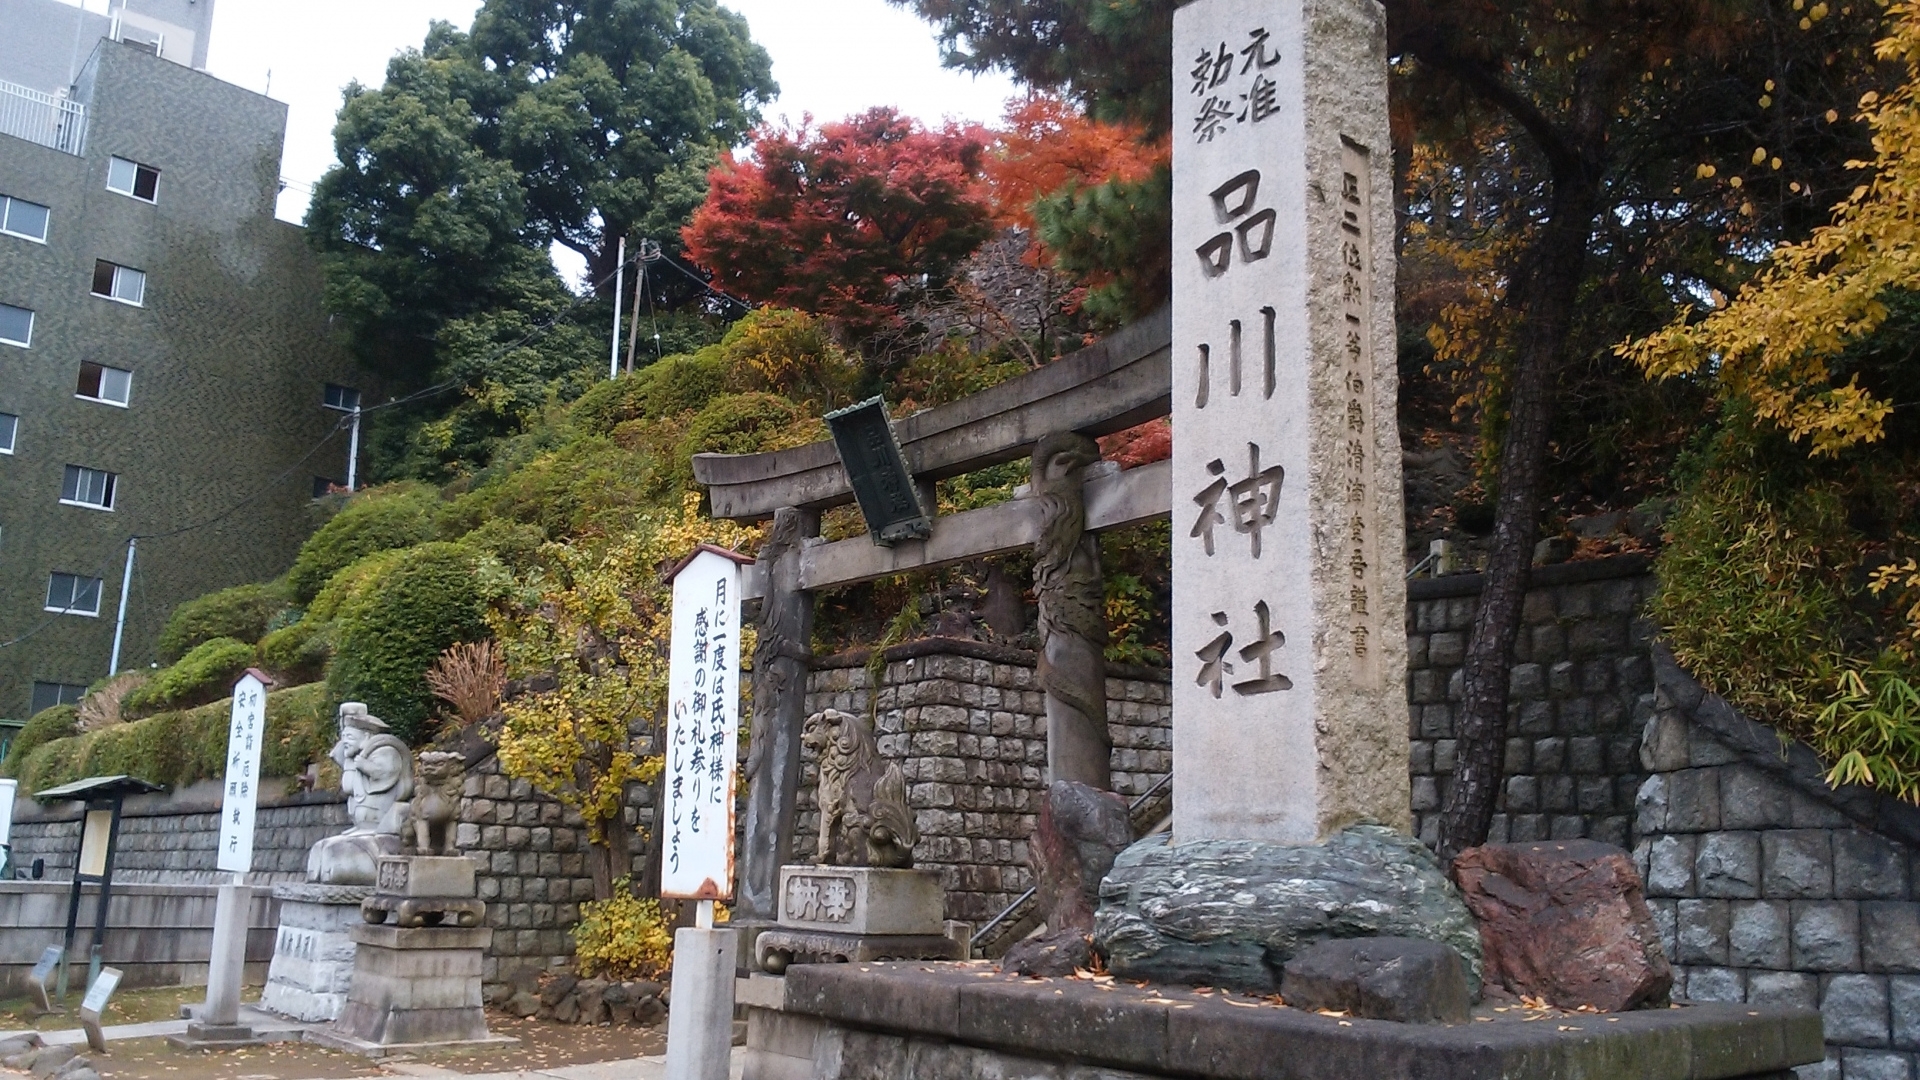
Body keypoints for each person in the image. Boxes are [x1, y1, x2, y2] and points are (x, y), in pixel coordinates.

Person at [306, 703, 413, 884]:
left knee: (336, 854)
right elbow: (340, 756)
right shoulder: (355, 758)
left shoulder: (385, 751)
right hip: (359, 830)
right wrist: (346, 721)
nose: (344, 741)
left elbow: (384, 772)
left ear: (365, 736)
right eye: (343, 736)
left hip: (381, 834)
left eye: (349, 736)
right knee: (319, 848)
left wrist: (363, 764)